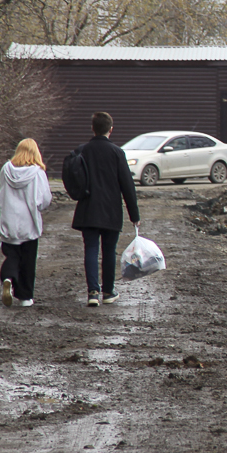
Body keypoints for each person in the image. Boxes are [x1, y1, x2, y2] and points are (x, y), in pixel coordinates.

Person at [71, 111, 140, 308]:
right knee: (109, 251)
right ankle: (108, 292)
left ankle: (93, 292)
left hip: (88, 209)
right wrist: (134, 215)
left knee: (91, 250)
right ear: (111, 129)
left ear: (92, 128)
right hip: (111, 211)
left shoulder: (82, 151)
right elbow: (127, 185)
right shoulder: (117, 153)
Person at [0, 139, 51, 307]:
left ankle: (8, 277)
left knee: (12, 255)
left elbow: (0, 192)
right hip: (29, 222)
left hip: (9, 220)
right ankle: (25, 297)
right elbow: (45, 199)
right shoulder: (37, 173)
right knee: (28, 260)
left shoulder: (5, 170)